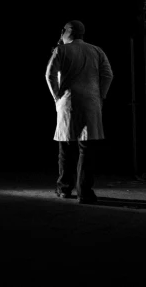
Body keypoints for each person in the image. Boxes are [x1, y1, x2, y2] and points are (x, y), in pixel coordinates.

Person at [45, 20, 113, 204]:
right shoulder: (96, 50)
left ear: (66, 32)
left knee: (65, 148)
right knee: (86, 149)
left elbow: (50, 74)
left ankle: (64, 188)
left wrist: (56, 96)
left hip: (68, 102)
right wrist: (101, 96)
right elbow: (108, 75)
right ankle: (84, 192)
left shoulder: (62, 50)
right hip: (91, 102)